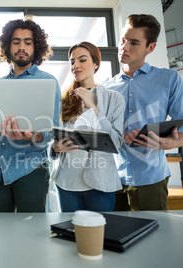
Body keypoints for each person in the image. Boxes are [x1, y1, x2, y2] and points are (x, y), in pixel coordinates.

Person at [104, 14, 183, 211]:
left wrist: (171, 143)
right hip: (111, 178)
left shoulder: (169, 79)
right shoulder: (106, 87)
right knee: (113, 237)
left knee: (154, 238)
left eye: (134, 42)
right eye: (123, 40)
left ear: (150, 48)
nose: (124, 47)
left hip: (150, 177)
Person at [0, 19, 61, 213]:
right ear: (8, 46)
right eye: (16, 41)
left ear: (36, 47)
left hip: (31, 169)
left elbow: (50, 130)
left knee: (32, 230)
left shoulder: (47, 81)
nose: (21, 47)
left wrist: (30, 136)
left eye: (28, 42)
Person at [51, 41, 125, 212]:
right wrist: (55, 148)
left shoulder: (114, 98)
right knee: (70, 234)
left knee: (100, 236)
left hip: (101, 183)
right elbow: (52, 138)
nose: (75, 65)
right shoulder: (63, 100)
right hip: (67, 182)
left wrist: (93, 107)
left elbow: (116, 142)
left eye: (82, 60)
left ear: (96, 63)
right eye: (72, 62)